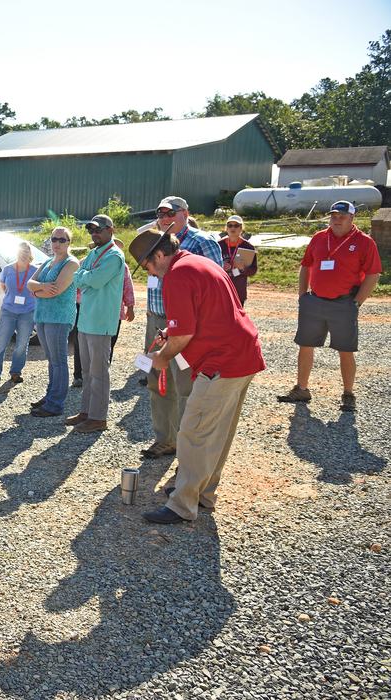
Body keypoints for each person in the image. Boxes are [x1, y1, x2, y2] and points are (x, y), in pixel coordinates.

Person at [127, 229, 266, 524]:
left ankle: (182, 504)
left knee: (193, 430)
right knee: (217, 432)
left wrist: (161, 358)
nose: (150, 273)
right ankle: (202, 493)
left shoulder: (177, 275)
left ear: (159, 256)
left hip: (223, 361)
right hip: (242, 355)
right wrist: (171, 335)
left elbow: (185, 334)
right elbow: (196, 318)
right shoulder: (198, 262)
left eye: (147, 266)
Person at [277, 201, 382, 412]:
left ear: (352, 219)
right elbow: (306, 265)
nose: (337, 219)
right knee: (305, 345)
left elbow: (373, 274)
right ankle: (302, 389)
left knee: (345, 349)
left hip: (344, 303)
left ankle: (348, 394)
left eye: (342, 216)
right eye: (334, 215)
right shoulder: (319, 238)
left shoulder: (364, 242)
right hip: (314, 301)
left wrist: (356, 302)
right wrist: (302, 296)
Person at [142, 196, 223, 459]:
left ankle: (187, 447)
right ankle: (165, 439)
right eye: (161, 214)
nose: (165, 218)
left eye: (170, 213)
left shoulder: (202, 242)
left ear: (185, 213)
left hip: (187, 326)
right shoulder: (156, 241)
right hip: (157, 320)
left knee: (186, 385)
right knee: (157, 381)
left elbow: (217, 284)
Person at [64, 214, 125, 434]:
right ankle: (87, 412)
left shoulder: (114, 256)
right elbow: (78, 276)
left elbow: (94, 280)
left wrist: (83, 276)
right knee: (88, 371)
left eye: (98, 229)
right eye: (91, 230)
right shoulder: (95, 253)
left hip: (100, 321)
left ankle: (98, 417)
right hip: (87, 319)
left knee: (99, 372)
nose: (94, 233)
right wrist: (84, 277)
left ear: (111, 230)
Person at [28, 228, 79, 417]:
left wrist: (36, 291)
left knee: (58, 361)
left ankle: (55, 404)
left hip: (59, 318)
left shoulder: (71, 263)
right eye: (54, 239)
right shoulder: (49, 262)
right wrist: (40, 288)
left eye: (62, 240)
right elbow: (29, 283)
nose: (57, 243)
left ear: (69, 242)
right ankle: (50, 396)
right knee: (52, 361)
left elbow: (56, 291)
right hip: (42, 316)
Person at [0, 241, 37, 384]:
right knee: (1, 342)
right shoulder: (7, 269)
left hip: (27, 312)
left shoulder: (34, 271)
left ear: (30, 254)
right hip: (8, 311)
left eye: (27, 252)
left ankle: (16, 372)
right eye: (21, 252)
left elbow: (38, 289)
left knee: (22, 343)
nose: (24, 254)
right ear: (17, 253)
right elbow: (3, 286)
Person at [218, 215, 258, 306]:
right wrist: (221, 265)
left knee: (237, 318)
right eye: (230, 225)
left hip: (238, 290)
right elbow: (210, 265)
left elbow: (253, 270)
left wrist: (243, 268)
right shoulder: (219, 245)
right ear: (226, 228)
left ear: (241, 228)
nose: (233, 228)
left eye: (236, 226)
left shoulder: (248, 247)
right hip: (221, 289)